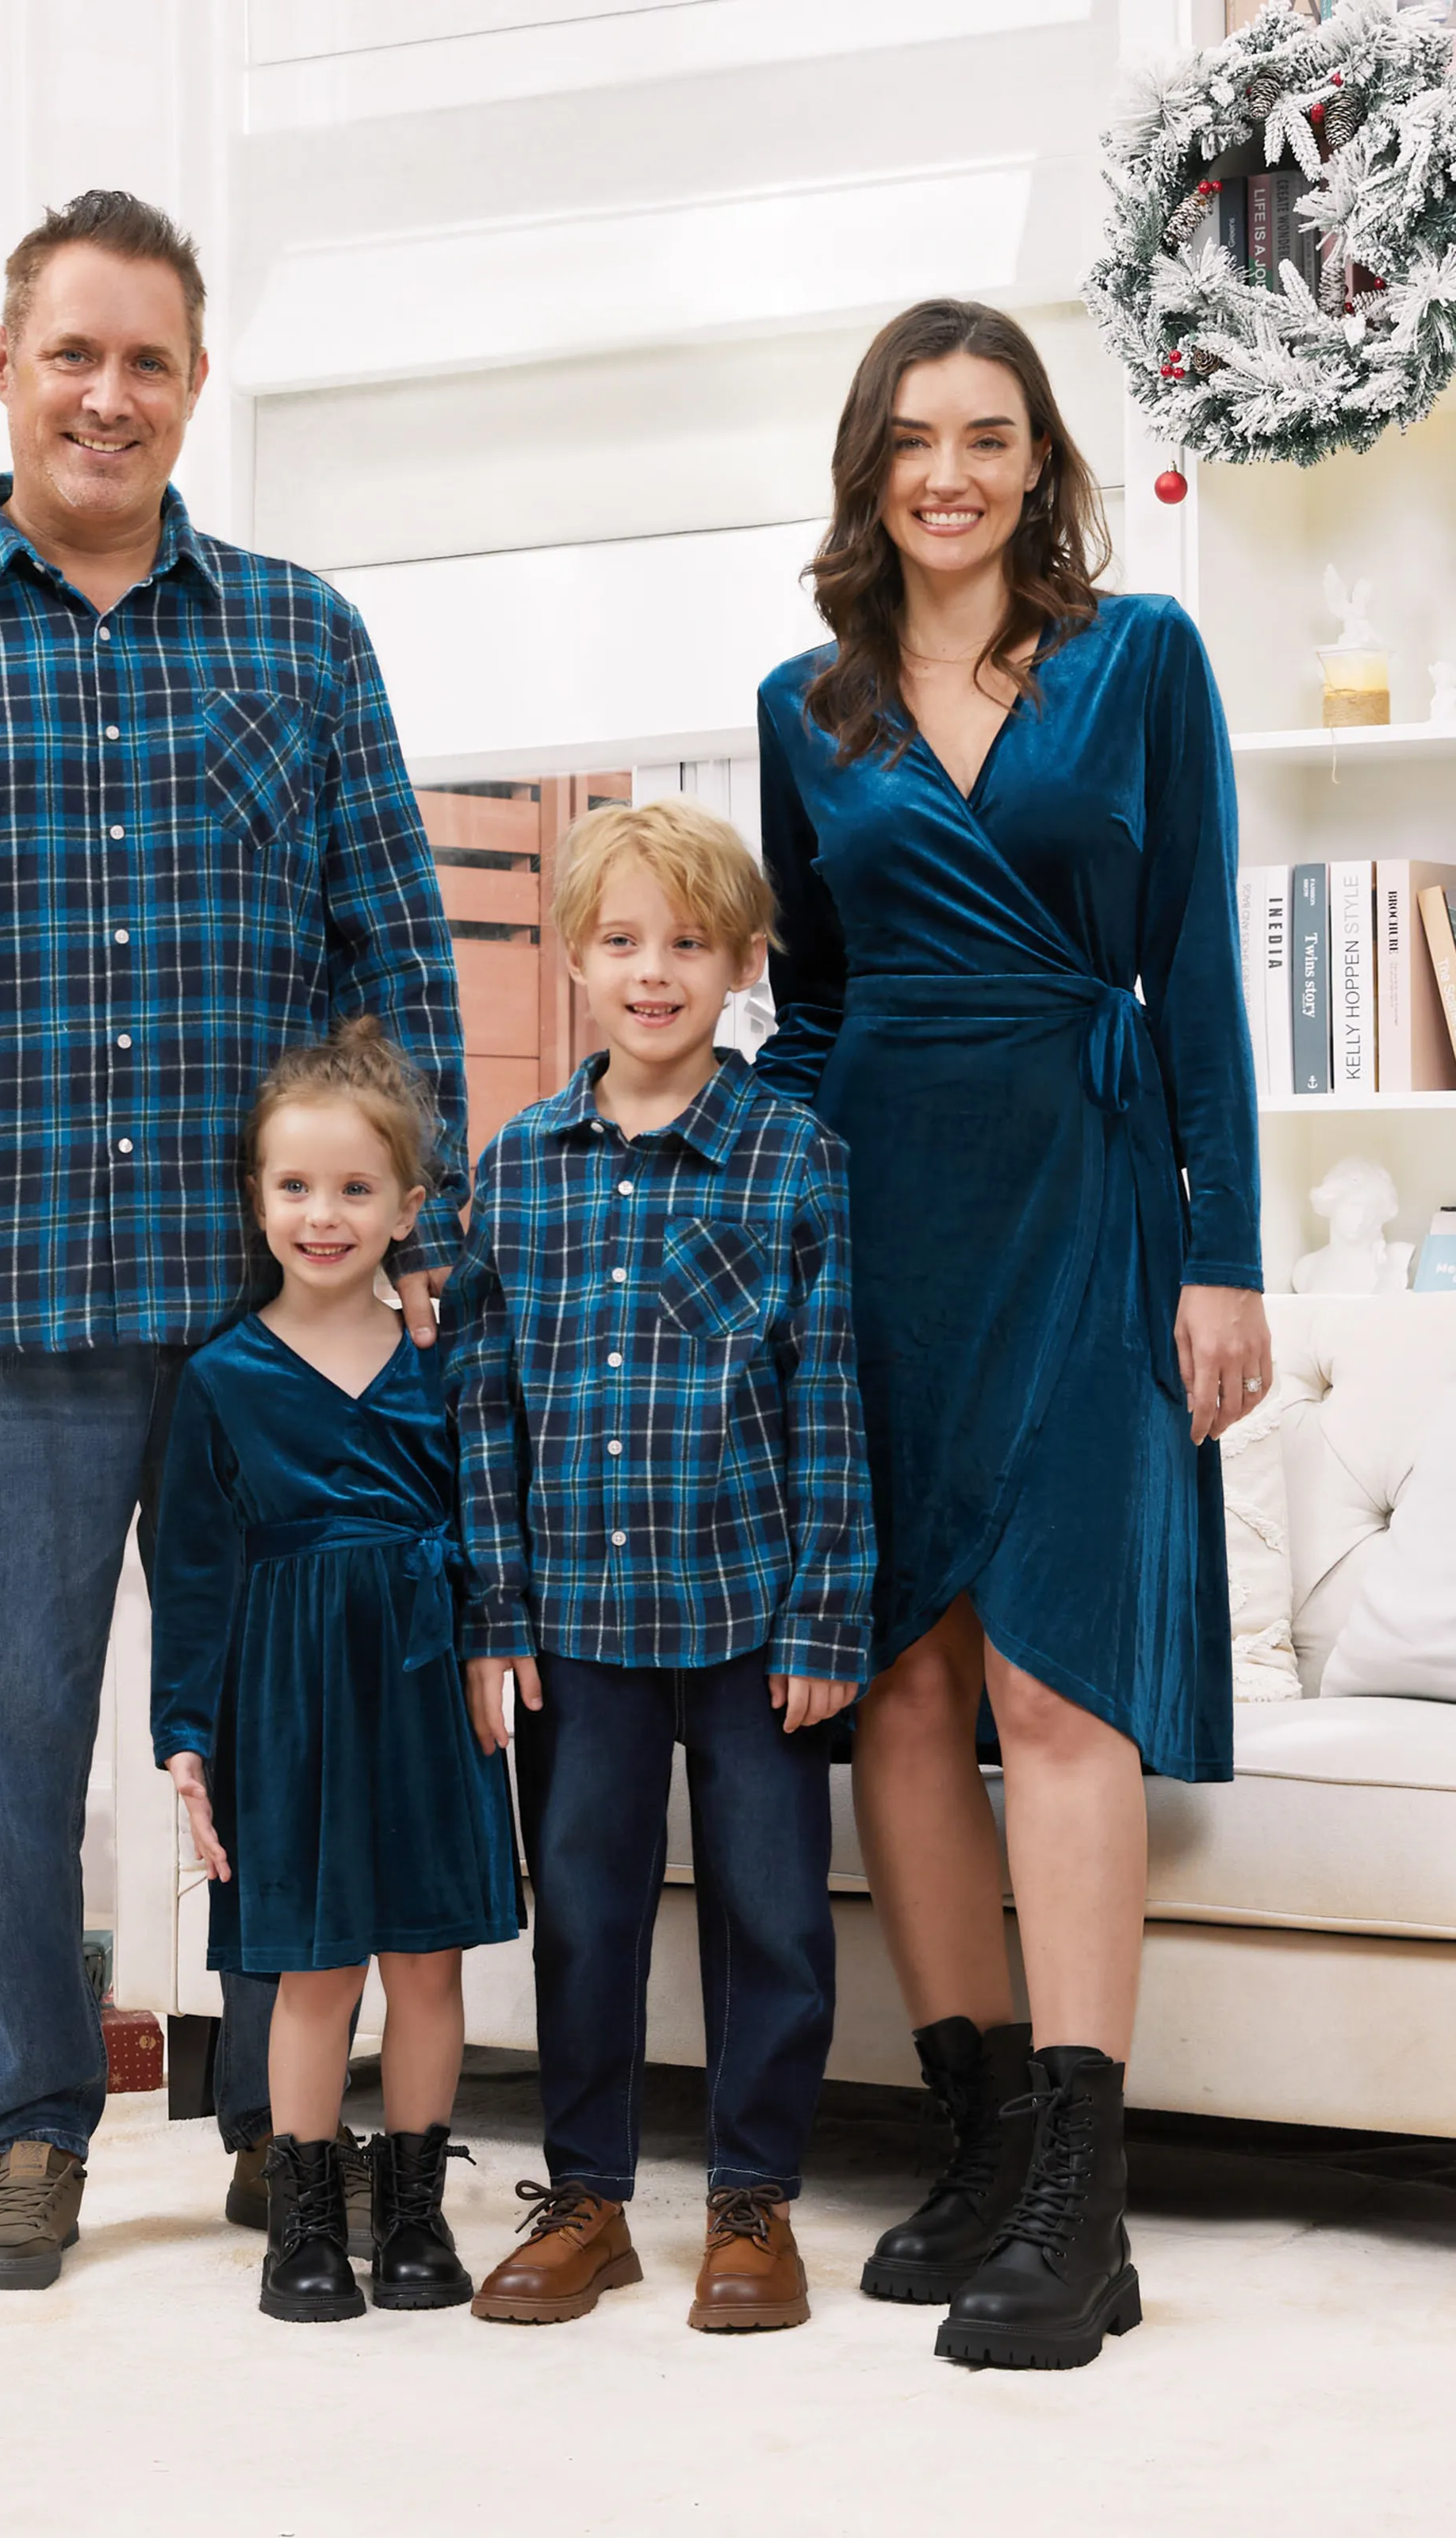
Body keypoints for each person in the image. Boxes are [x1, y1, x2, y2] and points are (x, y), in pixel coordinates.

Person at [0, 192, 467, 2290]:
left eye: (148, 361)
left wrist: (429, 1233)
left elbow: (397, 948)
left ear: (192, 385)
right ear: (5, 363)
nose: (108, 394)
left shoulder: (301, 638)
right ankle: (32, 2137)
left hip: (278, 1325)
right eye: (75, 353)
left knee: (295, 1712)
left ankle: (281, 2120)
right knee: (1, 1752)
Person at [755, 299, 1270, 2371]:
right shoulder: (813, 708)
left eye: (990, 435)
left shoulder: (1141, 660)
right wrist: (742, 1231)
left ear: (1040, 462)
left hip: (1084, 1187)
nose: (951, 471)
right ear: (871, 468)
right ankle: (973, 2145)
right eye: (914, 437)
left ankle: (1083, 2198)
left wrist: (1217, 1255)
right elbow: (805, 1013)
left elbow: (1203, 966)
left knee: (1055, 1680)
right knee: (901, 1691)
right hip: (880, 1211)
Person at [446, 799, 876, 2335]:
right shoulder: (518, 1169)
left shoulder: (795, 1160)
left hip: (756, 1621)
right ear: (572, 960)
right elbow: (480, 1407)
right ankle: (589, 2197)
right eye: (622, 941)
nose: (653, 971)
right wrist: (494, 1614)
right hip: (573, 1625)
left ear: (741, 964)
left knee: (774, 1911)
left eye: (688, 943)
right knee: (583, 1908)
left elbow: (828, 1402)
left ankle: (753, 2199)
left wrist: (828, 1609)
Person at [151, 1021, 519, 2322]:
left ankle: (415, 2214)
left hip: (424, 1686)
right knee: (314, 1972)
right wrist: (187, 1737)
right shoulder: (220, 1378)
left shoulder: (442, 1352)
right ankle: (299, 2226)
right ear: (255, 1198)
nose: (324, 1215)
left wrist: (489, 1640)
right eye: (295, 1187)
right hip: (290, 1705)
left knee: (428, 1965)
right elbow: (195, 1578)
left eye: (357, 1189)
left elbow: (492, 1513)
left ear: (410, 1206)